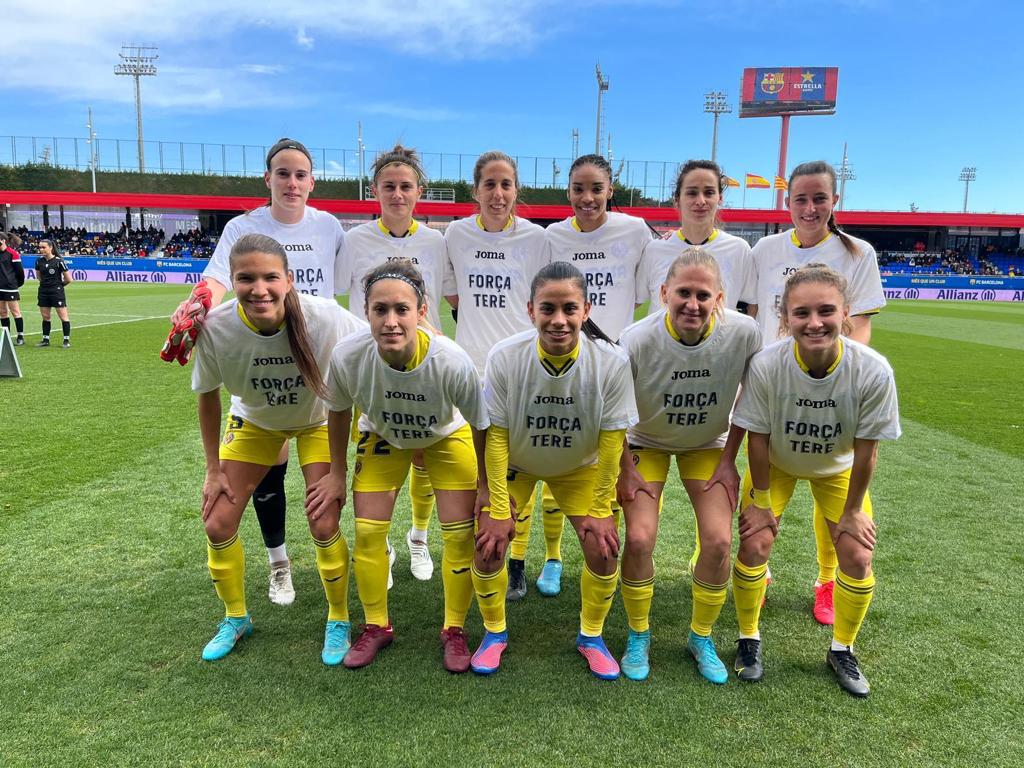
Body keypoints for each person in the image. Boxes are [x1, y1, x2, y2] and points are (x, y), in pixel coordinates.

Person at [165, 138, 347, 608]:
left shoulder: (329, 227)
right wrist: (201, 308)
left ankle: (340, 606)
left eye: (300, 174)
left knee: (324, 509)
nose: (291, 182)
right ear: (267, 179)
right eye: (282, 173)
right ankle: (278, 563)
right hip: (261, 375)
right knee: (262, 486)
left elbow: (359, 284)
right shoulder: (243, 228)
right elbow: (217, 280)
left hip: (313, 364)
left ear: (312, 182)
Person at [313, 259, 496, 673]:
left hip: (446, 436)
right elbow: (338, 411)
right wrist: (336, 473)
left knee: (458, 535)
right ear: (366, 312)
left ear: (421, 312)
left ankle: (454, 629)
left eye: (402, 310)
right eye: (381, 310)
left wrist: (486, 486)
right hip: (383, 436)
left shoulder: (451, 360)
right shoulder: (348, 355)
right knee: (367, 532)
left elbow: (482, 425)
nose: (391, 321)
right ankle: (376, 625)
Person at [191, 233, 366, 664]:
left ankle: (339, 618)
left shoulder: (325, 317)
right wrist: (213, 470)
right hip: (255, 423)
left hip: (318, 423)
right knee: (217, 522)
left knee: (323, 522)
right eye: (245, 278)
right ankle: (236, 617)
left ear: (289, 280)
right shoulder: (216, 327)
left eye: (270, 277)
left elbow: (373, 339)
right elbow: (207, 395)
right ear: (231, 282)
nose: (259, 288)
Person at [729, 264, 900, 697]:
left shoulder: (872, 369)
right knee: (754, 542)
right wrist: (761, 501)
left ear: (846, 315)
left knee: (857, 554)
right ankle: (748, 638)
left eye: (826, 311)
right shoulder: (767, 364)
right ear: (784, 318)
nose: (814, 322)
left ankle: (842, 648)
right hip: (778, 464)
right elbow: (759, 438)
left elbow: (867, 451)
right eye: (801, 313)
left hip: (838, 470)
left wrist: (853, 511)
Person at [483, 261, 638, 679]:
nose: (558, 320)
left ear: (586, 310)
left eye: (569, 308)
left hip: (579, 468)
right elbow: (495, 438)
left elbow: (611, 442)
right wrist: (498, 509)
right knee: (486, 543)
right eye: (547, 308)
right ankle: (494, 633)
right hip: (519, 463)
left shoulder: (611, 361)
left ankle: (591, 636)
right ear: (530, 309)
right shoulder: (505, 356)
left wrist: (602, 505)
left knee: (604, 549)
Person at [506, 154, 651, 601]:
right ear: (568, 192)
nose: (587, 198)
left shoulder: (635, 230)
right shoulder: (553, 237)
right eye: (578, 189)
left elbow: (643, 294)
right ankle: (537, 558)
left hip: (604, 363)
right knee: (544, 454)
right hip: (552, 351)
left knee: (589, 455)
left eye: (596, 188)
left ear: (611, 189)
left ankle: (556, 558)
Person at [749, 160, 886, 625]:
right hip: (773, 385)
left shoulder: (857, 251)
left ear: (834, 202)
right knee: (757, 494)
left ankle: (828, 580)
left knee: (834, 482)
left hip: (831, 384)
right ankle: (755, 573)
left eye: (819, 198)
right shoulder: (766, 248)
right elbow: (752, 316)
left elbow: (860, 322)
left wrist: (828, 371)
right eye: (800, 199)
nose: (809, 208)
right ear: (787, 203)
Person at [617, 249, 761, 682]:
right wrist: (625, 467)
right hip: (646, 441)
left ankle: (701, 636)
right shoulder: (637, 338)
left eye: (703, 295)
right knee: (640, 538)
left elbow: (752, 401)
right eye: (683, 293)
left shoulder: (744, 333)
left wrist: (729, 458)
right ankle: (638, 633)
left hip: (708, 444)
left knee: (718, 542)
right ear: (664, 293)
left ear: (720, 297)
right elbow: (616, 410)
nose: (692, 304)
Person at [441, 151, 550, 601]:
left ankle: (516, 560)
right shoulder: (456, 234)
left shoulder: (538, 239)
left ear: (516, 191)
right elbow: (454, 298)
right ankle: (474, 558)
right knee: (476, 474)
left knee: (513, 470)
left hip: (521, 373)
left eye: (506, 184)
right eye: (489, 184)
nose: (498, 193)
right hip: (469, 373)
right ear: (475, 191)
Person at [339, 146, 450, 583]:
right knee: (375, 451)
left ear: (419, 192)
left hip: (425, 366)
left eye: (406, 187)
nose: (398, 194)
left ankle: (418, 538)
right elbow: (341, 301)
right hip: (371, 368)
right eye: (389, 186)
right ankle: (380, 543)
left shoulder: (436, 242)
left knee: (424, 455)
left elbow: (447, 303)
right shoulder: (354, 241)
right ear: (375, 191)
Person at [641, 159, 757, 315]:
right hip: (661, 340)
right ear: (677, 200)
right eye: (692, 193)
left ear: (720, 198)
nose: (701, 201)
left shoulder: (738, 249)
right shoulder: (654, 249)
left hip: (720, 340)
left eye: (709, 192)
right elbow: (632, 301)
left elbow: (751, 306)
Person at [34, 239, 72, 348]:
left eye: (43, 247)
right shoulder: (38, 261)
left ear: (50, 248)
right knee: (46, 316)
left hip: (56, 292)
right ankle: (45, 339)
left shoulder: (58, 261)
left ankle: (66, 340)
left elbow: (69, 279)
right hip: (43, 291)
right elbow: (39, 277)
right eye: (40, 247)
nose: (41, 249)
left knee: (63, 316)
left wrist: (58, 286)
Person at [0, 232, 26, 345]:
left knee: (15, 312)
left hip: (10, 288)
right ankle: (7, 336)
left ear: (3, 240)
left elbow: (20, 273)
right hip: (0, 288)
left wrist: (15, 285)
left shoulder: (13, 253)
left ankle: (20, 336)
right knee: (3, 312)